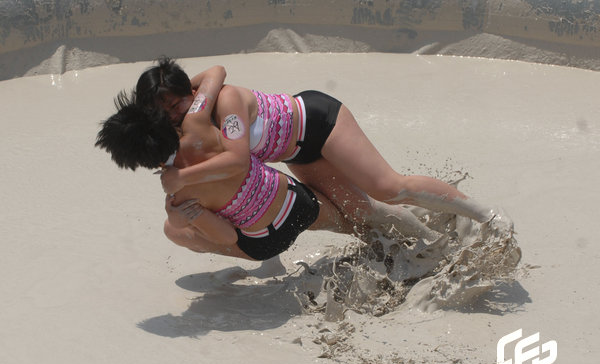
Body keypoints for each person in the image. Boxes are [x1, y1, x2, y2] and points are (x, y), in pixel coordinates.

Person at [135, 57, 512, 235]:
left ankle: (483, 213)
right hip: (298, 153)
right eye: (163, 111)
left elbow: (236, 158)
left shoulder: (225, 100)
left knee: (389, 188)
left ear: (192, 92)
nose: (172, 114)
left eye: (176, 103)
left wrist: (180, 175)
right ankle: (433, 244)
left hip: (318, 121)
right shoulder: (192, 129)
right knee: (362, 212)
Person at [96, 91, 366, 261]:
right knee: (353, 225)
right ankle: (380, 239)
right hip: (297, 203)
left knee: (174, 229)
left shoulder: (179, 194)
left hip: (267, 242)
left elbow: (227, 238)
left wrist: (190, 215)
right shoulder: (198, 120)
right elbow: (215, 76)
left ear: (137, 161)